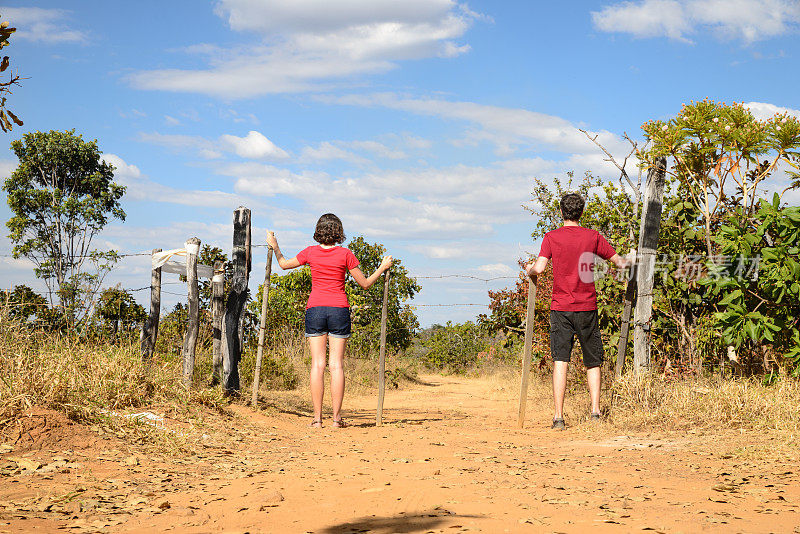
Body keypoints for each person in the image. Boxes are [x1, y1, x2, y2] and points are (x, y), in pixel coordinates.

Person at [266, 214, 392, 429]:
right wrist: (382, 267)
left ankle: (317, 419)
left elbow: (284, 264)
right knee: (336, 365)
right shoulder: (345, 254)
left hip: (315, 309)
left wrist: (275, 246)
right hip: (338, 310)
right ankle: (336, 419)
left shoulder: (310, 252)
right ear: (338, 232)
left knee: (318, 365)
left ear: (319, 231)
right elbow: (365, 283)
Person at [525, 193, 631, 429]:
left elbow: (539, 269)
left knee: (560, 360)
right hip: (587, 307)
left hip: (560, 308)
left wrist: (528, 269)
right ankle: (595, 413)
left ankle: (558, 417)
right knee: (593, 361)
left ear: (561, 212)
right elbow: (620, 263)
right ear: (581, 212)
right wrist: (636, 261)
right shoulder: (592, 236)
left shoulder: (552, 237)